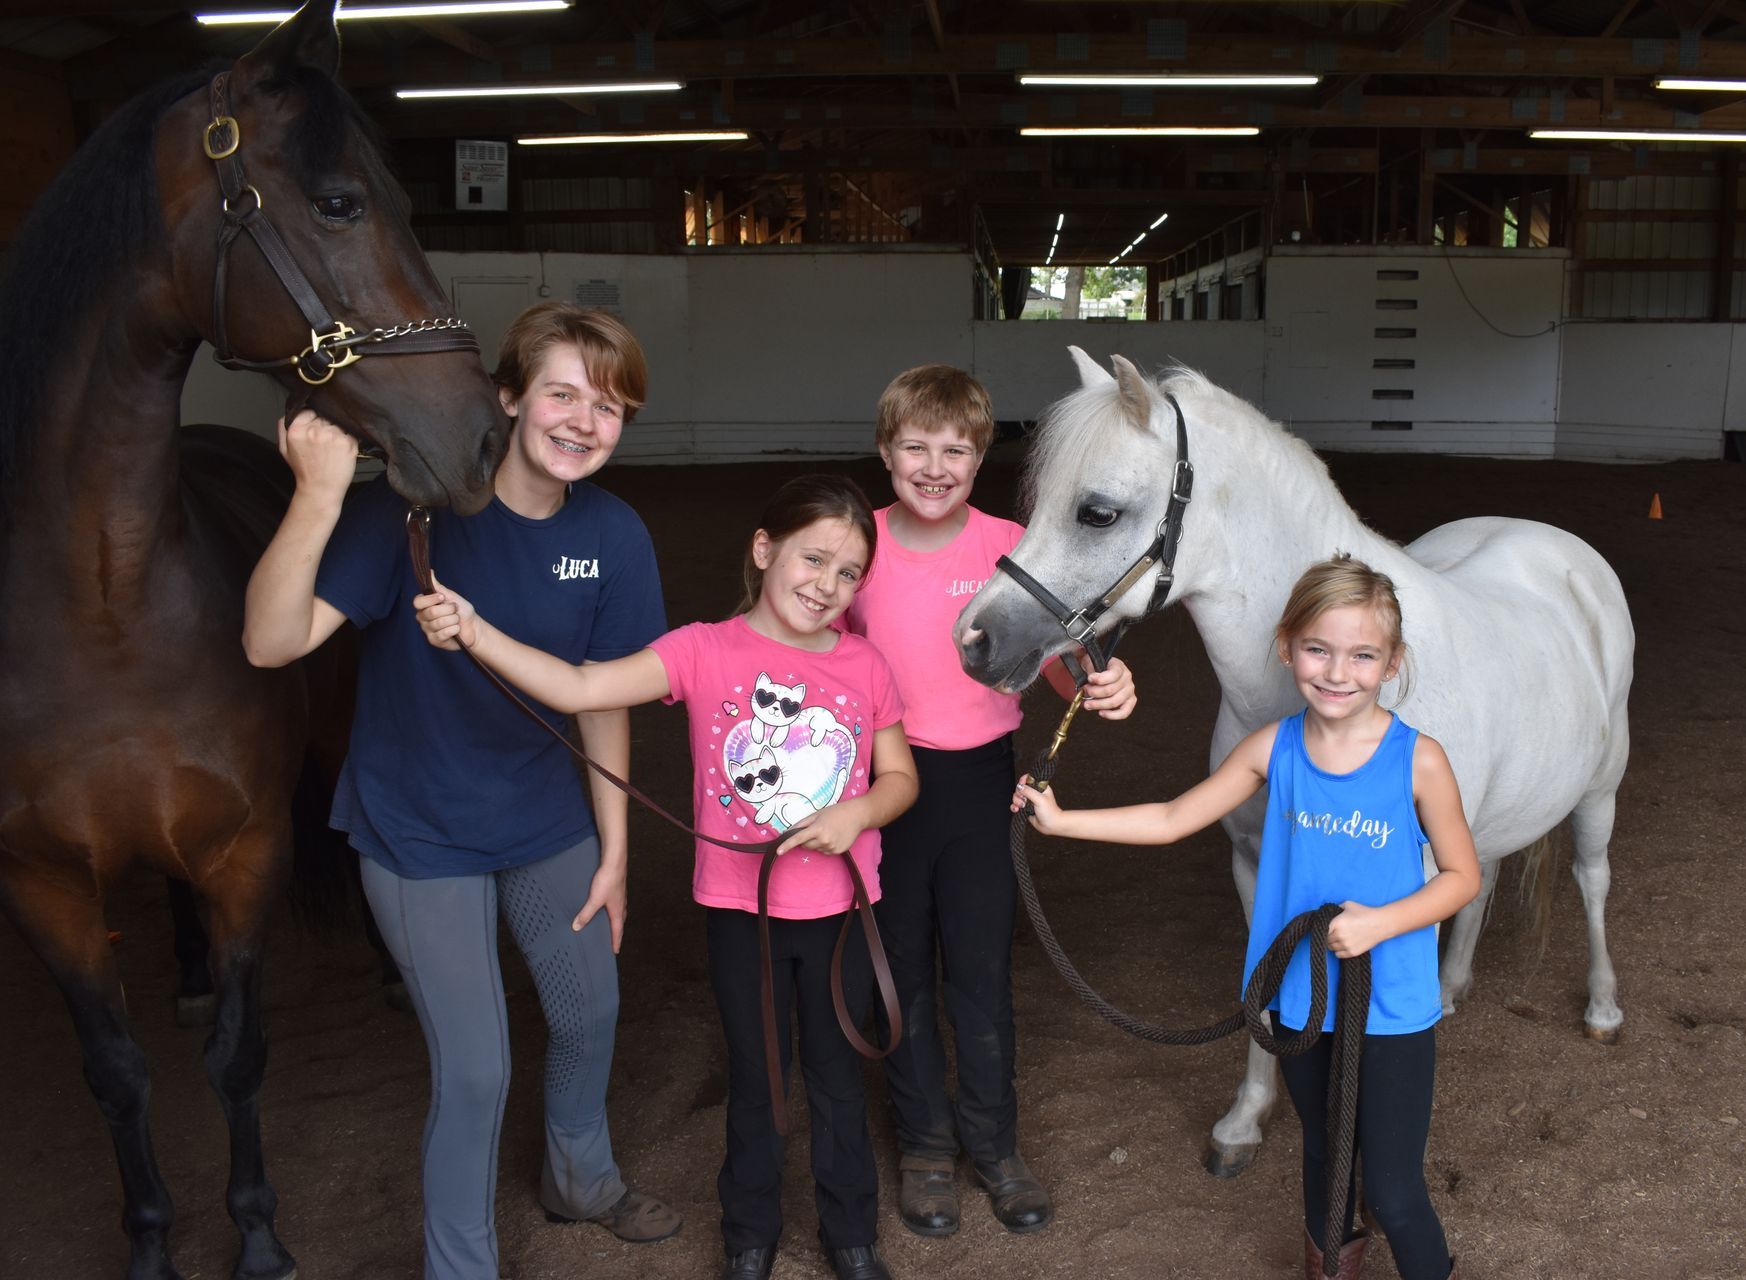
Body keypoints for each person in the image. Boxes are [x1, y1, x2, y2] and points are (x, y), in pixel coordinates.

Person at [242, 302, 681, 1279]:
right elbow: (267, 642)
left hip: (543, 816)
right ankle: (461, 1267)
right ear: (510, 396)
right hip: (418, 828)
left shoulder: (614, 533)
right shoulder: (410, 514)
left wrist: (613, 848)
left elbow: (606, 696)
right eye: (562, 392)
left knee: (588, 1010)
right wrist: (318, 494)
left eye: (609, 406)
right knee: (478, 1067)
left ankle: (581, 1174)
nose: (583, 421)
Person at [415, 473, 919, 1280]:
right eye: (812, 559)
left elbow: (900, 778)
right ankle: (748, 1235)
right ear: (763, 550)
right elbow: (583, 687)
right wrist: (475, 632)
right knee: (758, 1082)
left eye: (848, 572)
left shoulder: (864, 663)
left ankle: (850, 1232)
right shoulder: (701, 649)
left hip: (841, 915)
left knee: (836, 1077)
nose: (826, 585)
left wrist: (857, 814)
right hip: (739, 914)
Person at [1015, 555, 1477, 1280]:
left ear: (1392, 664)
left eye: (1363, 655)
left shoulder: (1419, 762)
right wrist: (1063, 822)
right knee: (1324, 1156)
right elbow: (1174, 818)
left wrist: (1382, 924)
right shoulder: (1271, 748)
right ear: (1288, 646)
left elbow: (1461, 877)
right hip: (1300, 997)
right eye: (1318, 649)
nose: (1337, 671)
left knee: (1391, 1186)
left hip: (1391, 1006)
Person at [842, 364, 1136, 1238]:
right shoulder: (857, 544)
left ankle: (995, 1145)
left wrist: (1101, 681)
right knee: (900, 976)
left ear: (980, 458)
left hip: (980, 786)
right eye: (915, 447)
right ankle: (927, 1147)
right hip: (885, 789)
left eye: (957, 450)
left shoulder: (1012, 543)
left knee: (980, 974)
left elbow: (1060, 658)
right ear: (886, 451)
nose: (935, 466)